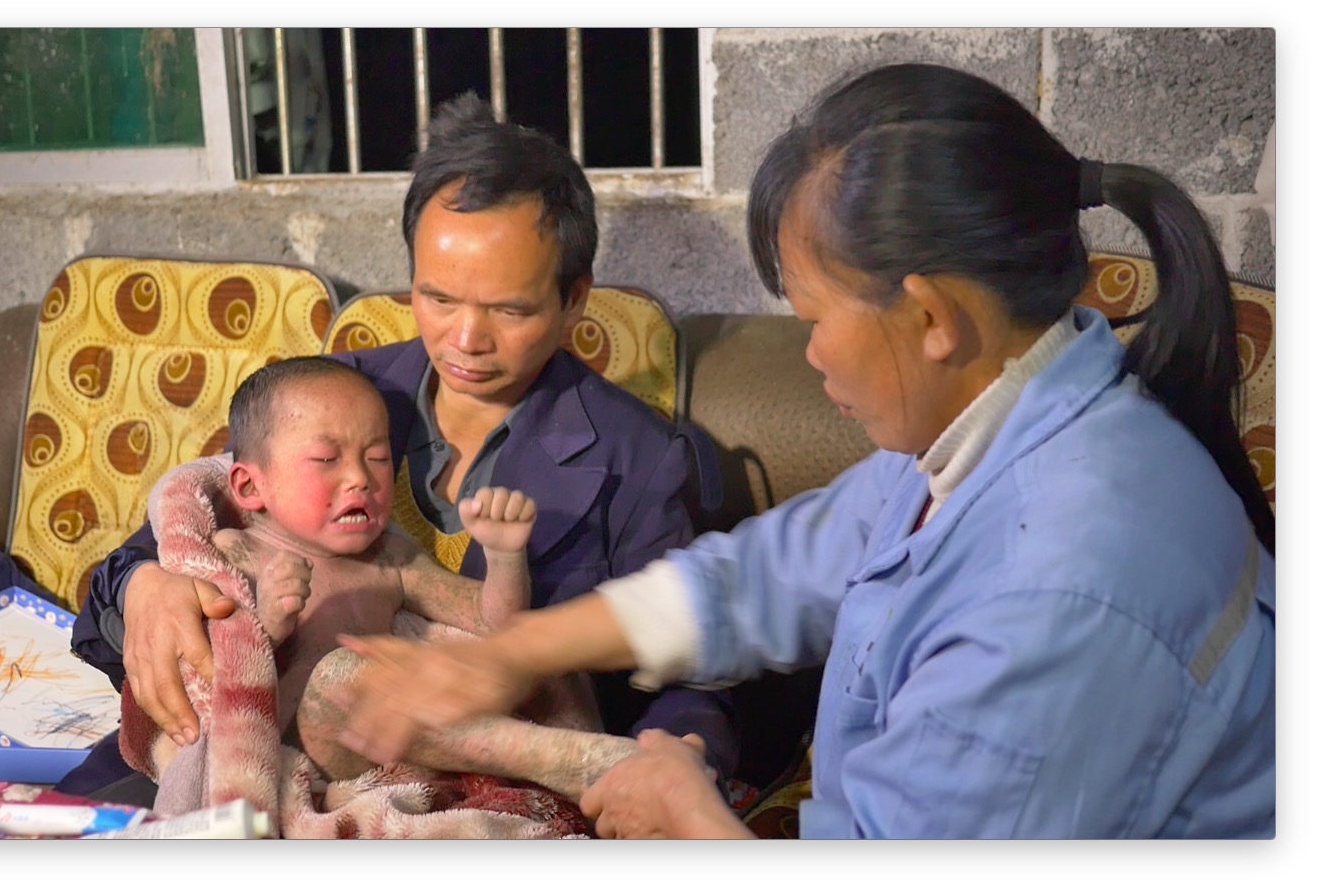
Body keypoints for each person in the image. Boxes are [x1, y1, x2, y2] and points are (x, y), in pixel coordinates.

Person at [331, 62, 1277, 839]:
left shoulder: (1064, 588)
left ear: (931, 318)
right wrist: (512, 651)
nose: (811, 353)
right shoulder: (976, 436)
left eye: (813, 317)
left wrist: (686, 811)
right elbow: (765, 574)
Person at [65, 91, 738, 799]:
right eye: (438, 298)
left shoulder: (639, 459)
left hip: (466, 794)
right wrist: (144, 589)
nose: (466, 339)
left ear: (574, 299)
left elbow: (693, 679)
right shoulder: (335, 398)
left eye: (509, 309)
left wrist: (680, 759)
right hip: (237, 761)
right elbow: (165, 547)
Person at [135, 355, 638, 799]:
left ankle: (571, 762)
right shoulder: (237, 551)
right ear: (249, 487)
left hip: (392, 748)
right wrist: (267, 622)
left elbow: (497, 625)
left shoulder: (391, 559)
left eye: (377, 458)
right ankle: (570, 761)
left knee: (541, 656)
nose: (360, 478)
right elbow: (215, 680)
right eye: (327, 459)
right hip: (297, 750)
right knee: (340, 677)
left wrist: (505, 555)